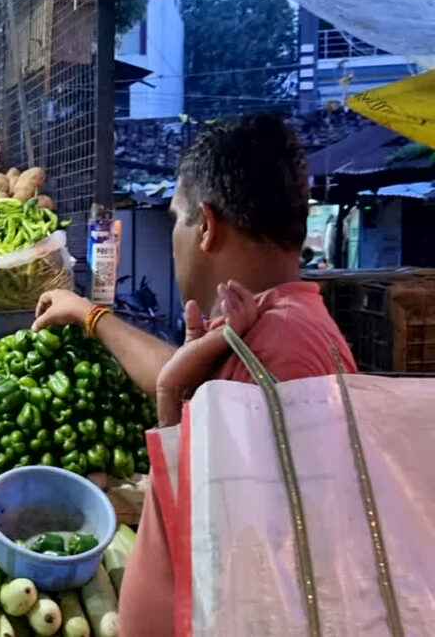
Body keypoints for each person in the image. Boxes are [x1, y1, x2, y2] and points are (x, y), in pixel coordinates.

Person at [33, 114, 356, 636]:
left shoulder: (281, 354)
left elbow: (257, 570)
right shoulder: (262, 330)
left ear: (206, 225)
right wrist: (173, 393)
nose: (174, 238)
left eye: (176, 219)